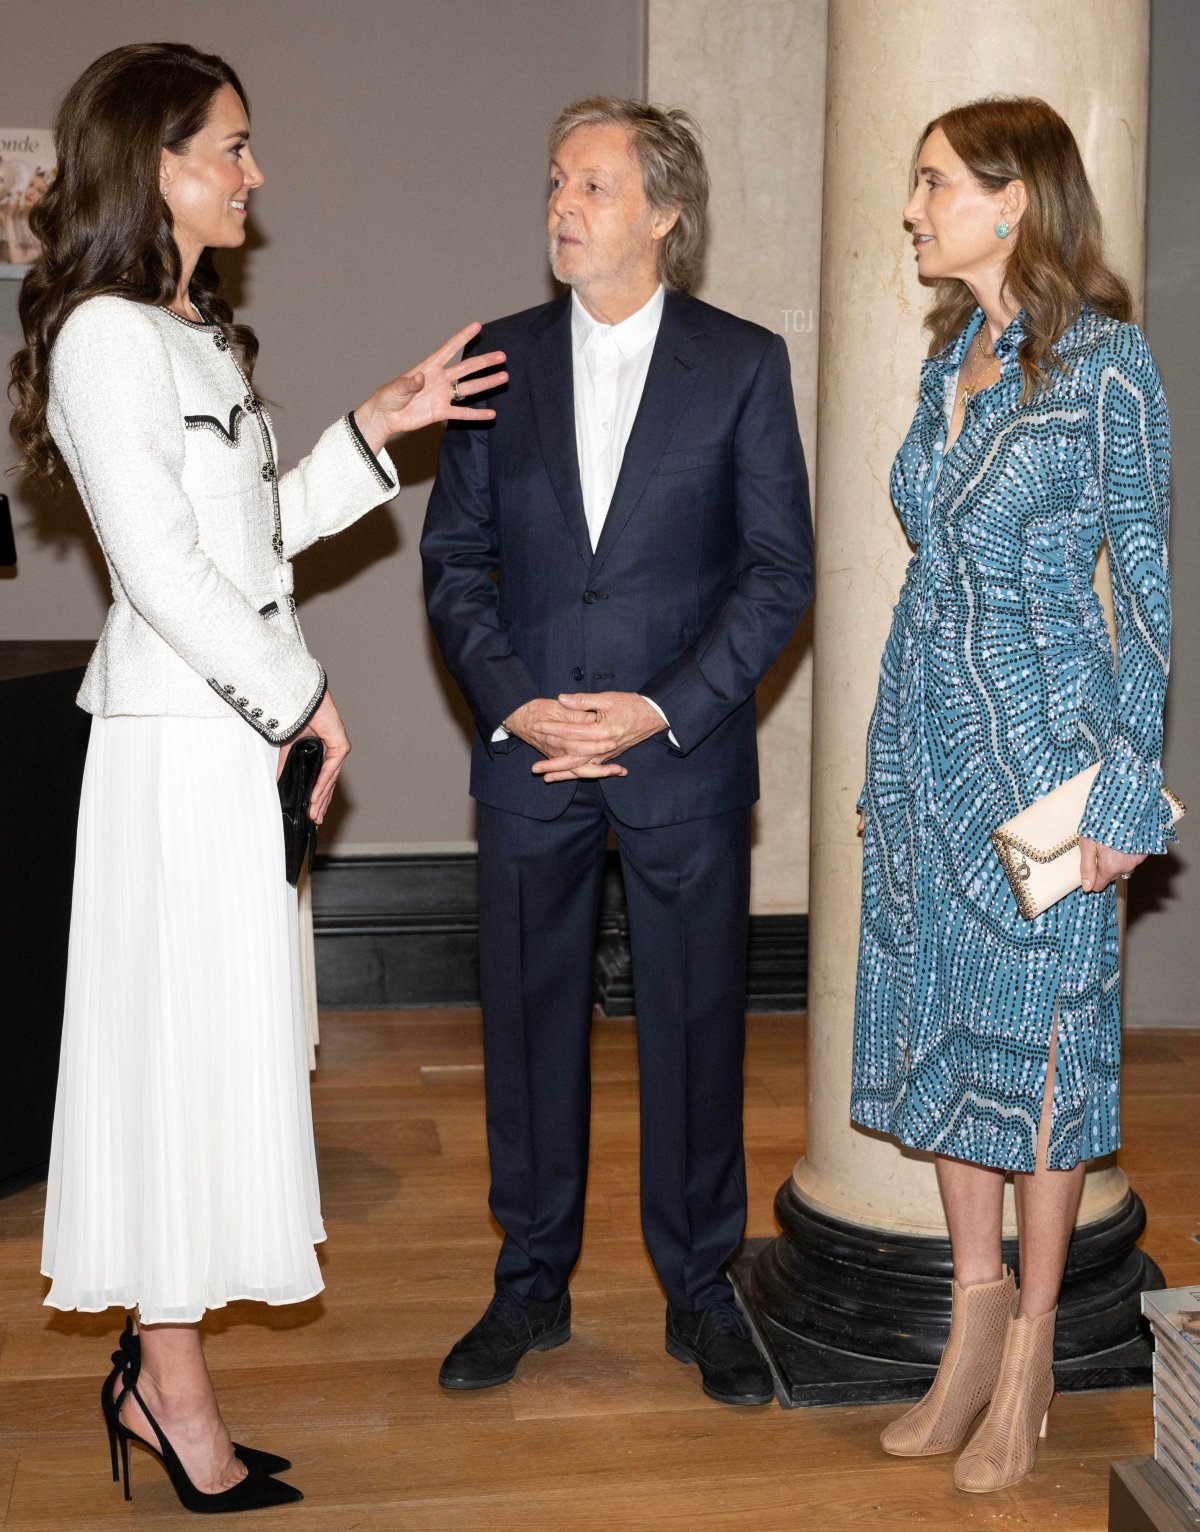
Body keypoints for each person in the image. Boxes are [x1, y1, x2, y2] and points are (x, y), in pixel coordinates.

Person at [8, 42, 505, 1513]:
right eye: (231, 145)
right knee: (171, 1070)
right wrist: (306, 698)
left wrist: (375, 429)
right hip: (178, 752)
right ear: (157, 163)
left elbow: (246, 541)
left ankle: (170, 1384)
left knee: (213, 1065)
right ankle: (171, 1395)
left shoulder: (188, 331)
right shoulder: (106, 336)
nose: (253, 170)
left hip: (226, 752)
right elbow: (162, 574)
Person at [422, 96, 813, 1407]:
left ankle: (702, 1292)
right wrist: (520, 701)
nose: (561, 205)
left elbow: (777, 572)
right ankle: (529, 1283)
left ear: (664, 213)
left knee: (697, 1027)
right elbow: (455, 565)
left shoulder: (744, 364)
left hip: (679, 758)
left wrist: (658, 709)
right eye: (554, 181)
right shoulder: (494, 358)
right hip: (530, 752)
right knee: (529, 1026)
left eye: (591, 184)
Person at [851, 96, 1173, 1492]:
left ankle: (1031, 1359)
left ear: (1013, 201)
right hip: (927, 745)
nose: (914, 206)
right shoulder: (956, 365)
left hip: (1050, 760)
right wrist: (885, 762)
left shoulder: (1111, 369)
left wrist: (1123, 802)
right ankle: (969, 1329)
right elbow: (930, 573)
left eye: (934, 184)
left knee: (1040, 1059)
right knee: (948, 1037)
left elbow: (1150, 595)